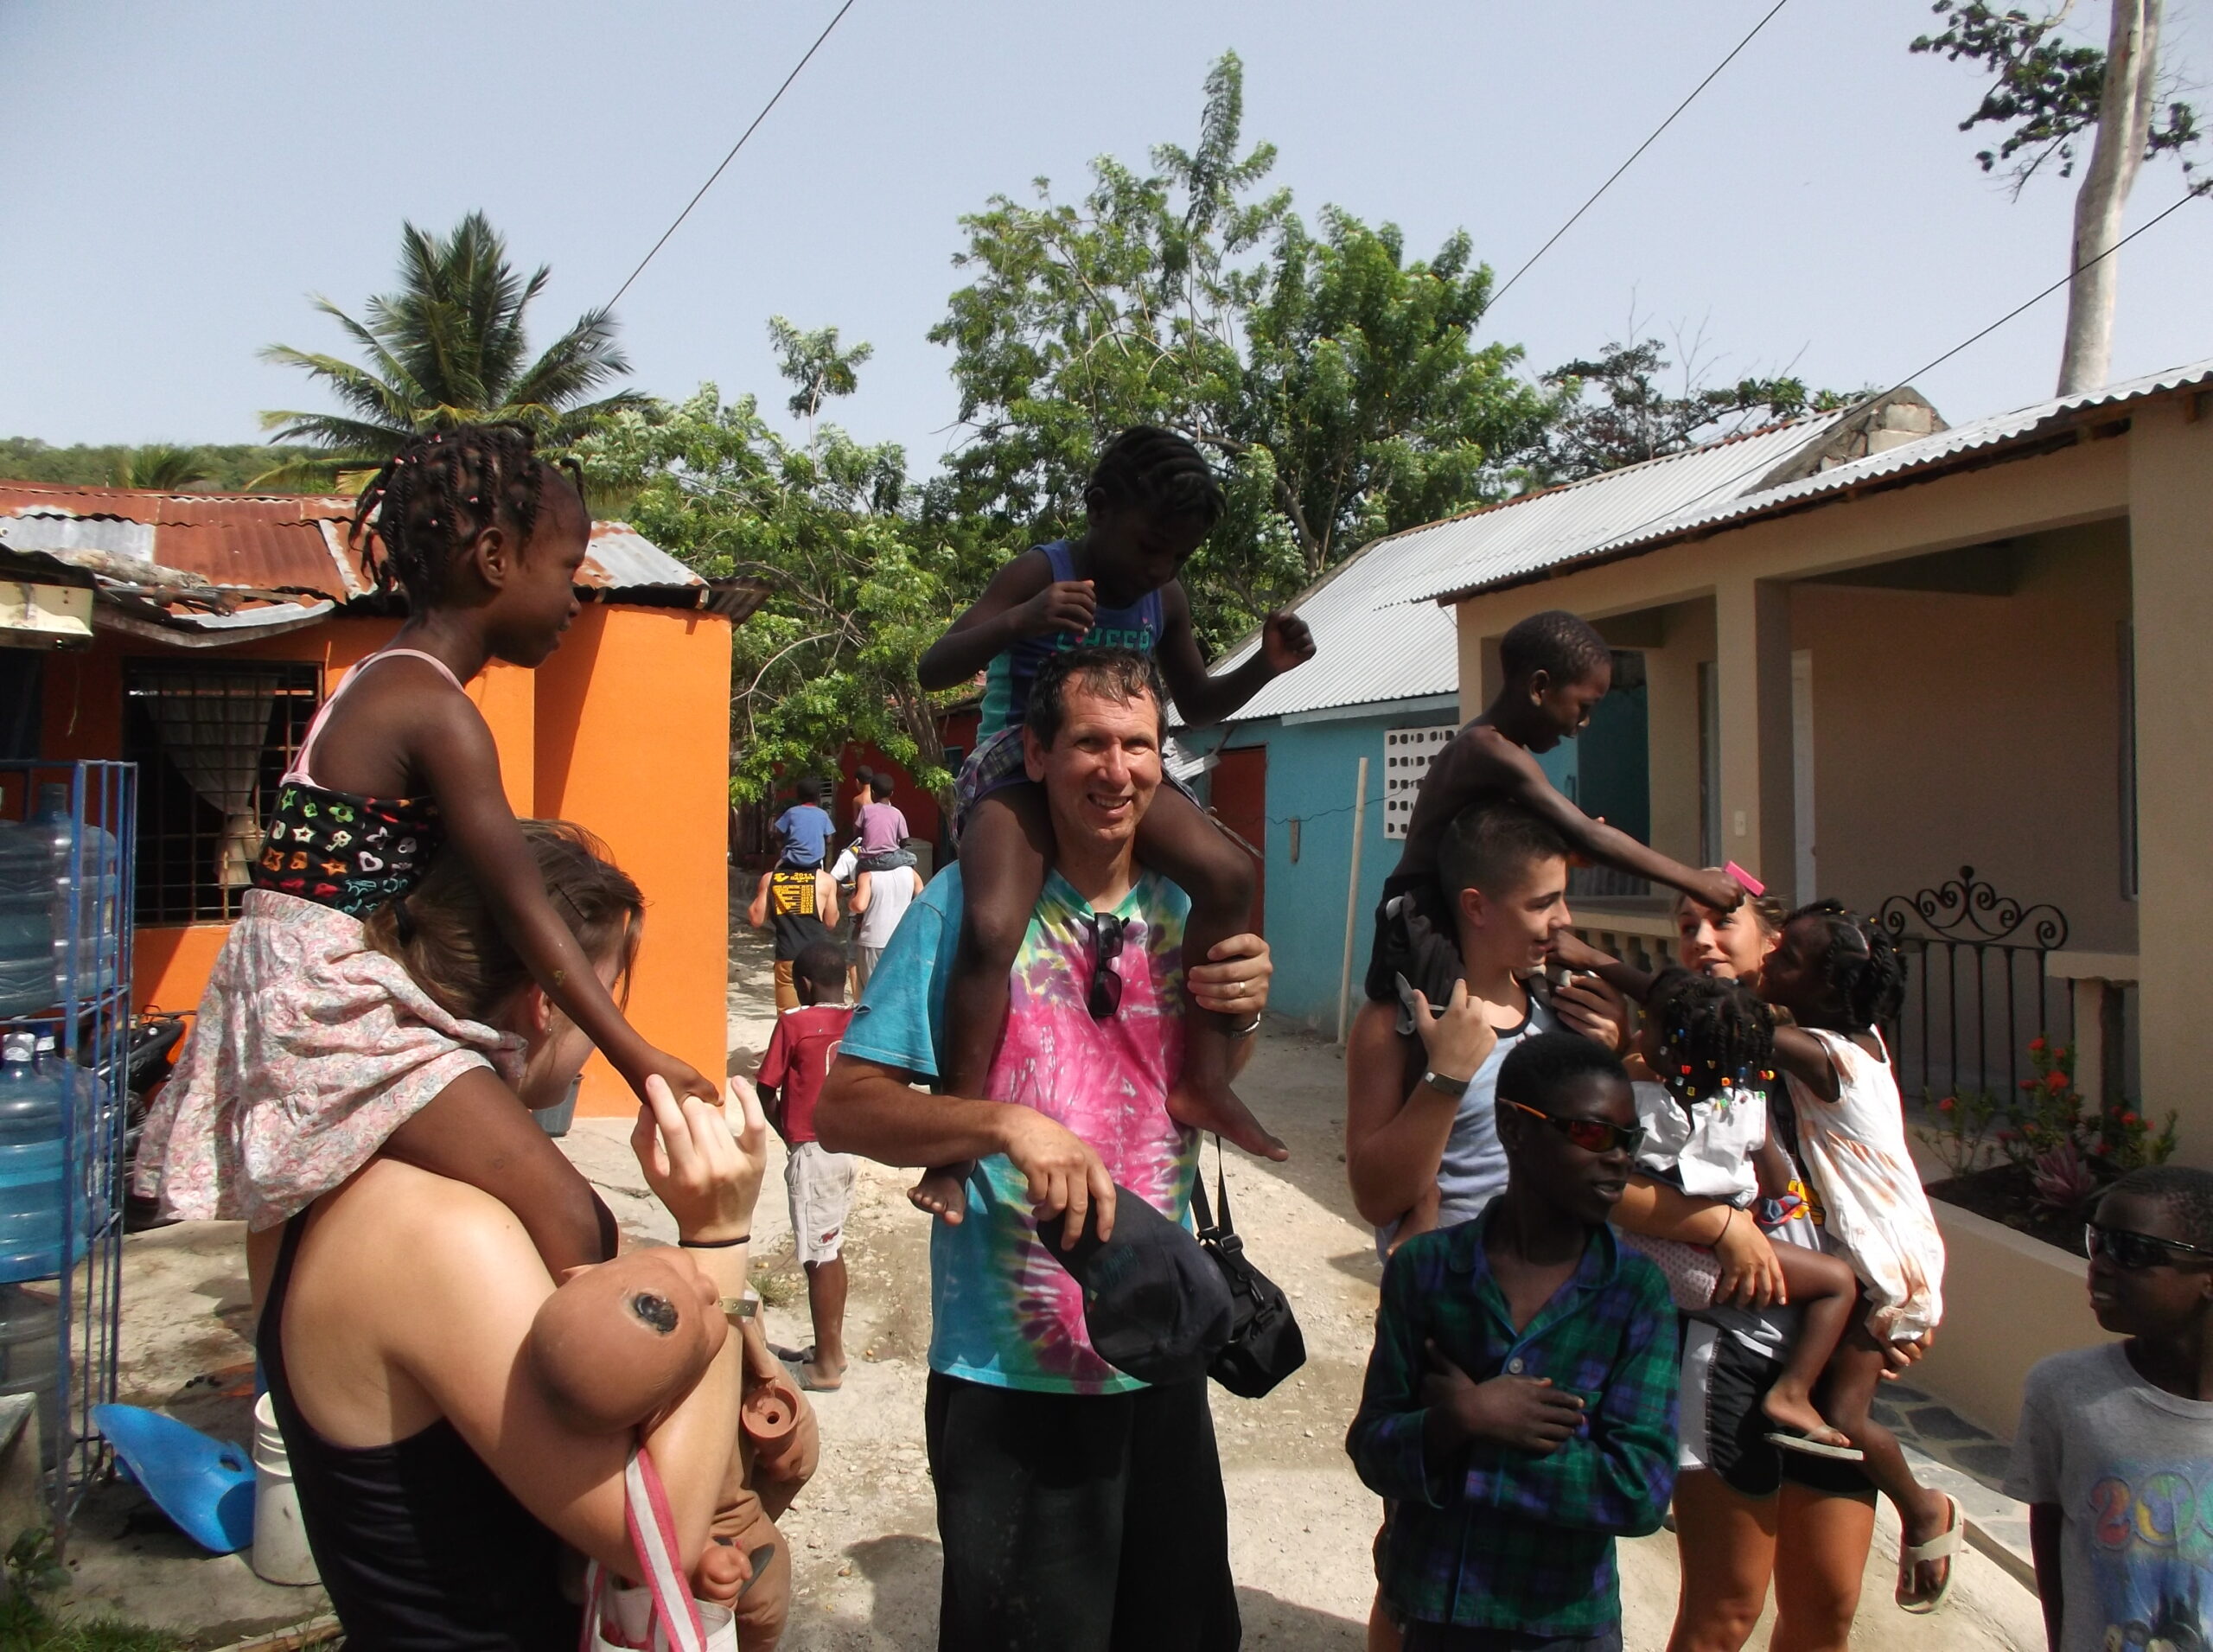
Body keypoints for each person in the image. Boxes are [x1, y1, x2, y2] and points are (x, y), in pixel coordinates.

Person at [139, 425, 713, 1278]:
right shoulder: (432, 706)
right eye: (565, 569)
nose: (574, 599)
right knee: (572, 1218)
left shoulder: (379, 679)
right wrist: (639, 1058)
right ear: (493, 558)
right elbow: (521, 903)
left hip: (316, 989)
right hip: (337, 1006)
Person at [815, 646, 1277, 1652]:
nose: (1117, 770)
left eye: (1139, 745)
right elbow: (843, 1109)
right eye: (1090, 744)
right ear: (1035, 750)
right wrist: (1003, 1124)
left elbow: (1189, 1097)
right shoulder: (958, 912)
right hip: (1010, 1375)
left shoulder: (1188, 911)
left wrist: (1239, 1016)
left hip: (1157, 1351)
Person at [243, 820, 768, 1649]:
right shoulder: (444, 1236)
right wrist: (717, 1236)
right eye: (605, 999)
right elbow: (652, 1533)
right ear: (546, 1003)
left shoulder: (311, 1178)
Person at [909, 424, 1315, 1203]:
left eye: (1178, 557)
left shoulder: (1164, 597)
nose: (1160, 568)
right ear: (1098, 510)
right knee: (993, 926)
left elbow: (1194, 706)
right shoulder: (1043, 569)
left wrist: (1265, 664)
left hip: (1115, 767)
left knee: (1232, 873)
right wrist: (1021, 619)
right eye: (1149, 546)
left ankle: (1200, 1081)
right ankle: (955, 1139)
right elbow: (935, 666)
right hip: (1019, 765)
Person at [1347, 1032, 1680, 1652]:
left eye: (1628, 1140)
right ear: (1514, 1128)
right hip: (1433, 1609)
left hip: (1563, 1628)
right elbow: (1371, 1446)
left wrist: (1471, 1441)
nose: (1618, 1158)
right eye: (1591, 1133)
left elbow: (1641, 1491)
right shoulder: (1426, 1271)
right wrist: (1462, 1415)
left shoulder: (1635, 1294)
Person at [1547, 957, 1864, 1454]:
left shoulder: (1643, 1098)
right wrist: (1779, 1210)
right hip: (1702, 1257)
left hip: (1661, 1255)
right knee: (1837, 1284)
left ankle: (1783, 1394)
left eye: (1649, 1026)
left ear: (1669, 1051)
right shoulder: (1739, 1101)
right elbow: (1777, 1179)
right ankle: (1794, 1391)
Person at [1367, 610, 1743, 1022]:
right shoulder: (1487, 750)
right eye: (1582, 706)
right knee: (1441, 1035)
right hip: (1426, 919)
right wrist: (1694, 880)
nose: (1583, 724)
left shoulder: (1506, 753)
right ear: (1540, 687)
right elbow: (1586, 833)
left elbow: (1539, 840)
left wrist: (1564, 848)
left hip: (1464, 918)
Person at [1757, 900, 1960, 1613]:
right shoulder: (1858, 1036)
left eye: (1786, 957)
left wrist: (1597, 961)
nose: (1769, 960)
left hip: (1883, 1262)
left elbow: (1727, 1020)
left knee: (1844, 1407)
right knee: (1836, 1397)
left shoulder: (1825, 1055)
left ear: (1826, 987)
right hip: (1888, 1247)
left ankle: (1923, 1505)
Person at [1344, 803, 1628, 1254]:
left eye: (1563, 897)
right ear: (1476, 906)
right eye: (1542, 903)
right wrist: (1446, 1077)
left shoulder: (1562, 1007)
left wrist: (1609, 1055)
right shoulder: (1397, 1024)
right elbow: (1376, 1200)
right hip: (1460, 1305)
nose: (1565, 919)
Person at [2006, 1165, 2213, 1652]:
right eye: (2096, 1242)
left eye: (2132, 1251)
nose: (2099, 1265)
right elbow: (2054, 1541)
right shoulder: (2066, 1392)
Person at [756, 938, 858, 1393]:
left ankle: (826, 1367)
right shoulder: (855, 1021)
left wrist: (787, 1133)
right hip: (845, 1148)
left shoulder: (793, 1023)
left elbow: (765, 1088)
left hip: (812, 1152)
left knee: (818, 1257)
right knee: (831, 1249)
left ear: (802, 984)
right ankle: (831, 1350)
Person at [747, 850, 840, 1013]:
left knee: (789, 1018)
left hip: (788, 955)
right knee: (822, 1015)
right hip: (818, 958)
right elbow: (831, 922)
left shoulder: (771, 879)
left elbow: (756, 919)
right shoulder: (826, 880)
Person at [851, 842, 924, 992]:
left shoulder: (867, 876)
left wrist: (851, 900)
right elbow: (922, 896)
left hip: (873, 940)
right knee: (896, 990)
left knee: (872, 992)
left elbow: (859, 905)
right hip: (901, 939)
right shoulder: (910, 873)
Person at [851, 768, 916, 872]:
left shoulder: (865, 810)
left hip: (867, 861)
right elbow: (904, 840)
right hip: (889, 859)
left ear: (872, 792)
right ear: (892, 794)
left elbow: (857, 833)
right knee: (912, 858)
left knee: (858, 867)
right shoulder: (897, 813)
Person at [773, 777, 835, 870]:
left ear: (798, 796)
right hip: (815, 863)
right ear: (818, 796)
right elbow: (829, 840)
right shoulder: (823, 815)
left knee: (774, 875)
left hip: (791, 862)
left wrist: (781, 847)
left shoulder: (791, 812)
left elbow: (778, 834)